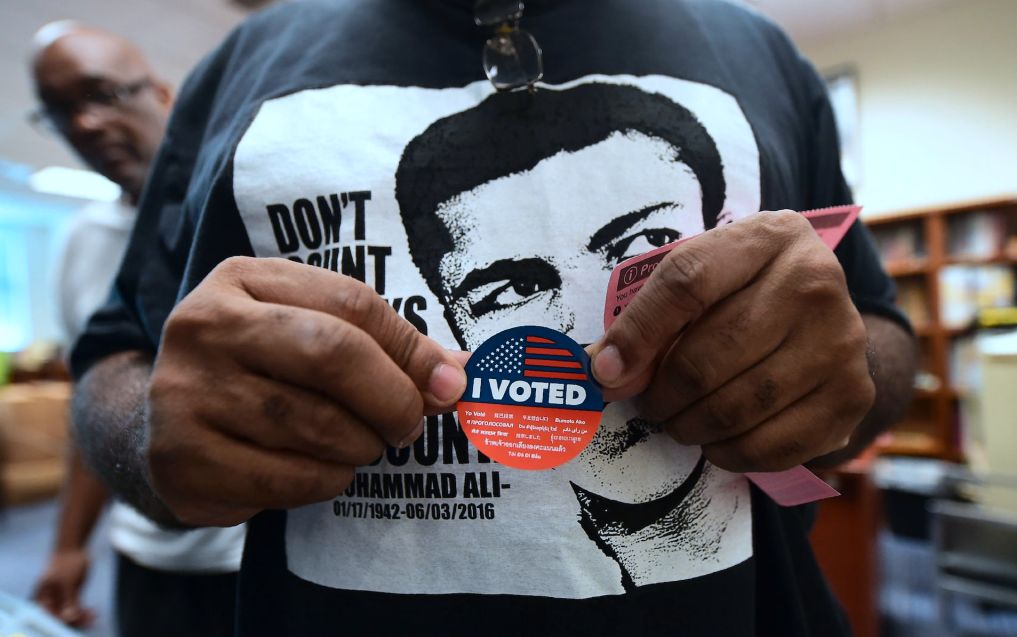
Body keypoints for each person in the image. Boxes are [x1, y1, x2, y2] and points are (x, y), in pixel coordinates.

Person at [69, 1, 917, 635]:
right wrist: (151, 435)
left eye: (648, 241)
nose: (576, 339)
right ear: (450, 313)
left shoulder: (757, 52)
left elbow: (875, 328)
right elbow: (120, 354)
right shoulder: (240, 69)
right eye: (509, 290)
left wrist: (845, 372)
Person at [29, 21, 244, 636]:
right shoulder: (79, 243)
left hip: (256, 557)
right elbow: (91, 402)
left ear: (163, 95)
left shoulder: (242, 215)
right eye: (59, 112)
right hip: (147, 560)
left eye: (101, 95)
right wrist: (69, 545)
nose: (83, 125)